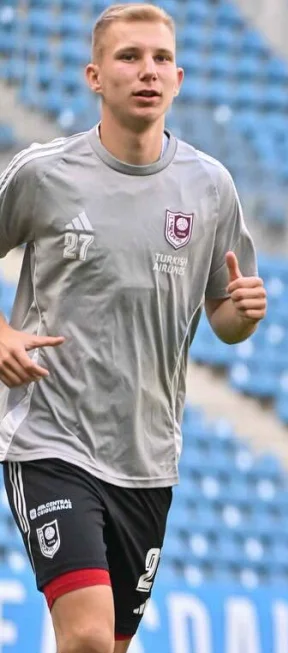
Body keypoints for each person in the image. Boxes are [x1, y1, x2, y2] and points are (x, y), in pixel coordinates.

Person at [0, 4, 264, 652]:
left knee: (107, 647)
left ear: (179, 77)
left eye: (160, 59)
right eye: (129, 57)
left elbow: (225, 316)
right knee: (87, 637)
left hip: (147, 458)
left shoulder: (210, 187)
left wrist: (243, 312)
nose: (147, 71)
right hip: (50, 440)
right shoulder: (44, 174)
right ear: (95, 76)